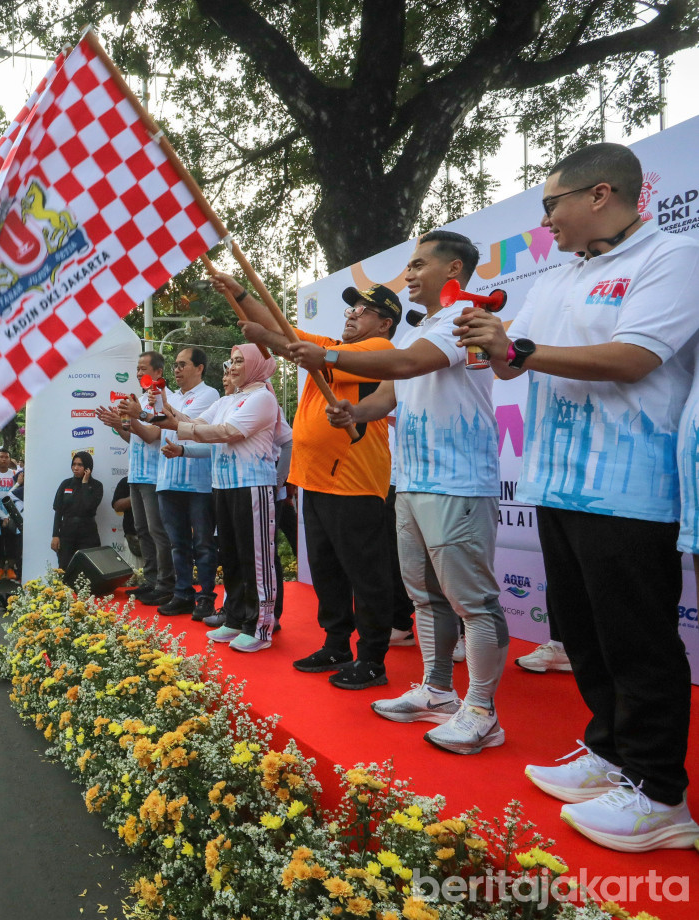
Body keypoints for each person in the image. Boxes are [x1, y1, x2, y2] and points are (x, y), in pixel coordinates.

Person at [458, 142, 699, 850]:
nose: (545, 222)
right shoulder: (559, 276)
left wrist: (521, 350)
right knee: (583, 633)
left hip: (630, 489)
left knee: (637, 640)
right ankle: (609, 752)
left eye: (551, 205)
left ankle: (661, 795)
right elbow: (512, 368)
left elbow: (635, 359)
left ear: (600, 194)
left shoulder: (671, 258)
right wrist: (496, 346)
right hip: (554, 483)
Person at [302, 229, 507, 756]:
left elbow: (407, 365)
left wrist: (327, 357)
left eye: (418, 264)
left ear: (453, 270)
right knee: (424, 596)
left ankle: (482, 711)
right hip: (412, 481)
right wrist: (354, 411)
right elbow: (389, 396)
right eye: (409, 265)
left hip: (457, 482)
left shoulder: (464, 320)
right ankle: (438, 691)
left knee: (473, 603)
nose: (409, 273)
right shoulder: (423, 328)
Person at [216, 270, 404, 688]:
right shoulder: (332, 347)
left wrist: (266, 337)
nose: (352, 314)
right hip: (315, 481)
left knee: (366, 575)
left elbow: (289, 344)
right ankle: (336, 644)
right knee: (326, 571)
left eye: (364, 310)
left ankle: (372, 658)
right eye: (351, 308)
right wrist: (240, 292)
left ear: (385, 323)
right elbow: (281, 326)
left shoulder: (377, 350)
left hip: (354, 482)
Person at [164, 345, 281, 651]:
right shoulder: (228, 400)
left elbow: (228, 432)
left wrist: (178, 425)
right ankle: (236, 618)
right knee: (230, 556)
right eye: (233, 361)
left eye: (240, 361)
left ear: (256, 365)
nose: (233, 366)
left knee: (255, 559)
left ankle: (259, 627)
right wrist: (162, 410)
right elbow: (198, 423)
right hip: (223, 486)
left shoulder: (263, 398)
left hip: (252, 485)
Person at [121, 347, 219, 618]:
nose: (176, 370)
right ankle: (182, 593)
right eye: (175, 365)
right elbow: (158, 425)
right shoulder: (171, 397)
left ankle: (205, 597)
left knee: (202, 544)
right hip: (167, 479)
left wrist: (142, 414)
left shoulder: (209, 395)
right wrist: (134, 417)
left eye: (182, 365)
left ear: (199, 368)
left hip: (196, 482)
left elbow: (179, 424)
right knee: (177, 544)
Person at [97, 350, 174, 605]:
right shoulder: (138, 399)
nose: (139, 372)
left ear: (158, 372)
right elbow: (133, 437)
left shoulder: (165, 400)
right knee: (142, 530)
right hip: (137, 474)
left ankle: (165, 583)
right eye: (137, 368)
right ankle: (150, 581)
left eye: (143, 368)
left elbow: (151, 435)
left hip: (155, 475)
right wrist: (117, 424)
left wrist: (133, 417)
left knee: (157, 531)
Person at [51, 451, 103, 572]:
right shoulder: (66, 484)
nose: (75, 468)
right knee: (65, 569)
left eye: (80, 465)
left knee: (88, 570)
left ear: (88, 467)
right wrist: (55, 535)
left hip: (88, 534)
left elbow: (88, 506)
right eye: (74, 464)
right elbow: (58, 511)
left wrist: (85, 483)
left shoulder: (96, 486)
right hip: (67, 533)